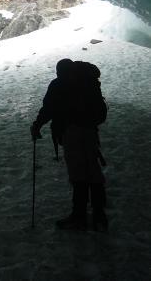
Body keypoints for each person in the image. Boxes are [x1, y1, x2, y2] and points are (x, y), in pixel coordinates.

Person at [31, 59, 108, 231]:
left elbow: (48, 109)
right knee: (93, 170)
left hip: (70, 133)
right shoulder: (88, 83)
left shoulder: (58, 84)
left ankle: (79, 216)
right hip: (89, 132)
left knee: (78, 173)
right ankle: (99, 214)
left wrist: (37, 125)